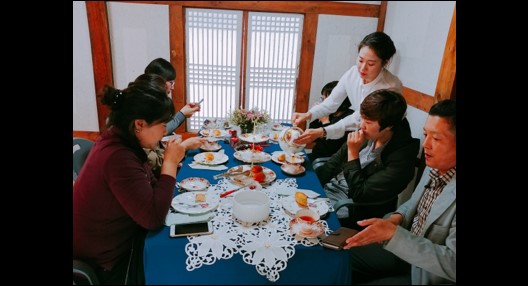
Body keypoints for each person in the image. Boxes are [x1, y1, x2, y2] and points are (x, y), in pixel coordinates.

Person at [73, 74, 205, 284]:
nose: (165, 132)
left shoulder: (120, 140)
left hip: (118, 239)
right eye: (163, 125)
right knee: (180, 260)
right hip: (108, 260)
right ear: (139, 124)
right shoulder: (117, 156)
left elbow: (151, 184)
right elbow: (152, 218)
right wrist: (170, 163)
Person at [343, 99, 456, 284]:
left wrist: (394, 234)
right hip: (404, 249)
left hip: (428, 274)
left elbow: (453, 263)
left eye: (436, 139)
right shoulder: (433, 166)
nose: (426, 145)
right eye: (426, 134)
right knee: (343, 256)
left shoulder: (401, 156)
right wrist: (396, 218)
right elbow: (414, 204)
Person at [315, 89, 419, 228]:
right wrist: (313, 187)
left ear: (389, 126)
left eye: (368, 122)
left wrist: (353, 153)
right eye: (362, 118)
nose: (361, 125)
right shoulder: (367, 133)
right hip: (330, 189)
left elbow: (360, 195)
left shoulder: (401, 160)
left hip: (349, 206)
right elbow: (333, 164)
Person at [292, 31, 402, 145]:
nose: (362, 68)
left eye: (371, 64)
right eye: (360, 60)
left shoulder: (390, 87)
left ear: (384, 63)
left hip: (385, 135)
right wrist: (308, 114)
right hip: (364, 131)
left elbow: (358, 118)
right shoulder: (353, 73)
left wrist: (322, 131)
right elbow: (332, 101)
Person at [144, 58, 201, 135]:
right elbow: (161, 131)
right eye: (171, 83)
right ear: (159, 81)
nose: (173, 87)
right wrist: (182, 114)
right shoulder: (146, 101)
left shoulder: (150, 96)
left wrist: (183, 113)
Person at [307, 81, 354, 162]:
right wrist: (315, 114)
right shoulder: (330, 113)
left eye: (326, 99)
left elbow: (331, 149)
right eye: (322, 99)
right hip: (316, 155)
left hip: (327, 161)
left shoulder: (350, 119)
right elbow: (313, 138)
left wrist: (326, 122)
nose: (323, 103)